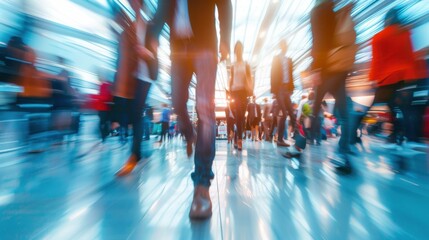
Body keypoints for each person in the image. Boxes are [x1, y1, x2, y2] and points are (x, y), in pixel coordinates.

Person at [150, 0, 232, 219]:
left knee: (205, 108)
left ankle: (202, 185)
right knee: (177, 102)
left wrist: (225, 39)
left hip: (205, 44)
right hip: (178, 49)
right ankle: (190, 134)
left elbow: (224, 4)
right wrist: (153, 36)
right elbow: (162, 8)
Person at [365, 8, 423, 145]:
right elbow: (410, 56)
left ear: (386, 20)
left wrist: (372, 78)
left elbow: (377, 60)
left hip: (388, 79)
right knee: (407, 109)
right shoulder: (405, 33)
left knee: (392, 109)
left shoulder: (378, 37)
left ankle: (395, 136)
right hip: (407, 77)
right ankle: (411, 139)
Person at [310, 0, 355, 171]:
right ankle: (344, 153)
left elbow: (319, 41)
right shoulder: (333, 10)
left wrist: (317, 68)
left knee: (313, 109)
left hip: (326, 68)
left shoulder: (319, 11)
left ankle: (298, 146)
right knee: (344, 112)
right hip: (340, 65)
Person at [115, 0, 156, 177]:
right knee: (133, 114)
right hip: (132, 78)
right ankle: (138, 153)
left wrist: (146, 53)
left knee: (137, 112)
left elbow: (155, 54)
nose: (133, 4)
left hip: (145, 76)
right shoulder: (129, 27)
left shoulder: (149, 27)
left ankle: (134, 155)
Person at [270, 40, 296, 148]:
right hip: (279, 89)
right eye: (284, 45)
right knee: (285, 114)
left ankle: (296, 135)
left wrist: (291, 89)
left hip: (287, 89)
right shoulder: (276, 59)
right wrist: (274, 90)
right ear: (281, 46)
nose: (285, 47)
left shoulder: (289, 60)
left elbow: (291, 75)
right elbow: (272, 74)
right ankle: (280, 140)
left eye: (286, 45)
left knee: (291, 112)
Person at [229, 41, 253, 150]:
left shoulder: (246, 64)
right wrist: (229, 91)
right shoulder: (233, 65)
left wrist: (251, 89)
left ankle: (236, 136)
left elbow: (249, 78)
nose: (238, 51)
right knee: (238, 114)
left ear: (242, 50)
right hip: (235, 92)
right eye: (237, 49)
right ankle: (239, 140)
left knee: (242, 117)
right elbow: (231, 79)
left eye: (240, 48)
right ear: (235, 51)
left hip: (244, 92)